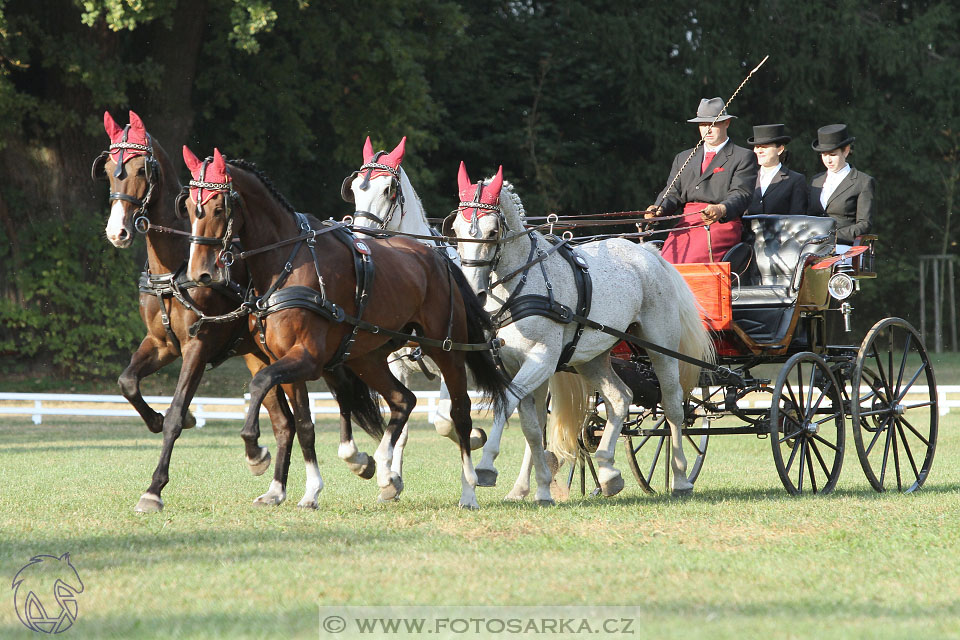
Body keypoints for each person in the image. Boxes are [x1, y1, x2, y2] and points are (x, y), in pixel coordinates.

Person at [646, 97, 758, 264]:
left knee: (692, 261)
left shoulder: (743, 156)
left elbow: (742, 193)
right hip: (687, 223)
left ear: (726, 123)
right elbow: (673, 192)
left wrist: (722, 209)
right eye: (703, 125)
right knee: (667, 263)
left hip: (720, 223)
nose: (708, 129)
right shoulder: (684, 157)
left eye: (714, 124)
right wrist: (659, 209)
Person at [807, 124, 876, 248]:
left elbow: (864, 224)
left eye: (832, 155)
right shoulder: (815, 181)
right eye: (824, 155)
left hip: (844, 247)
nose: (828, 160)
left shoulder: (863, 181)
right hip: (813, 246)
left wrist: (833, 236)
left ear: (846, 151)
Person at [746, 123, 807, 214]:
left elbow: (797, 217)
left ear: (780, 149)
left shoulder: (795, 180)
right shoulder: (748, 177)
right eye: (757, 147)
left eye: (764, 147)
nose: (759, 151)